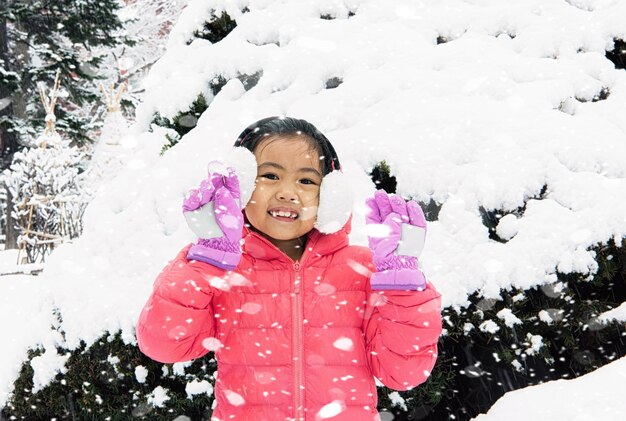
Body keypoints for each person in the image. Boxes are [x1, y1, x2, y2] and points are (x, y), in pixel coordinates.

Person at [136, 116, 442, 421]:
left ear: (331, 195)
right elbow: (164, 345)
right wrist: (205, 263)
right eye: (269, 176)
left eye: (306, 181)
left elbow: (404, 373)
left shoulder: (363, 269)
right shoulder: (219, 268)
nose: (287, 192)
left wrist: (403, 287)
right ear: (240, 186)